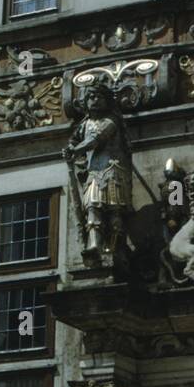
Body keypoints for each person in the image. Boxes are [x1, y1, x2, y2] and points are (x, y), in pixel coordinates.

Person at [64, 84, 132, 265]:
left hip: (111, 170)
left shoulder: (111, 121)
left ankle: (115, 246)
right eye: (91, 96)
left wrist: (75, 150)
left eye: (99, 97)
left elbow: (96, 139)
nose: (95, 100)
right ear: (85, 102)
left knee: (114, 209)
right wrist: (70, 149)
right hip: (94, 172)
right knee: (93, 207)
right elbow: (75, 140)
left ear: (107, 101)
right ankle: (94, 244)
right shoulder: (84, 124)